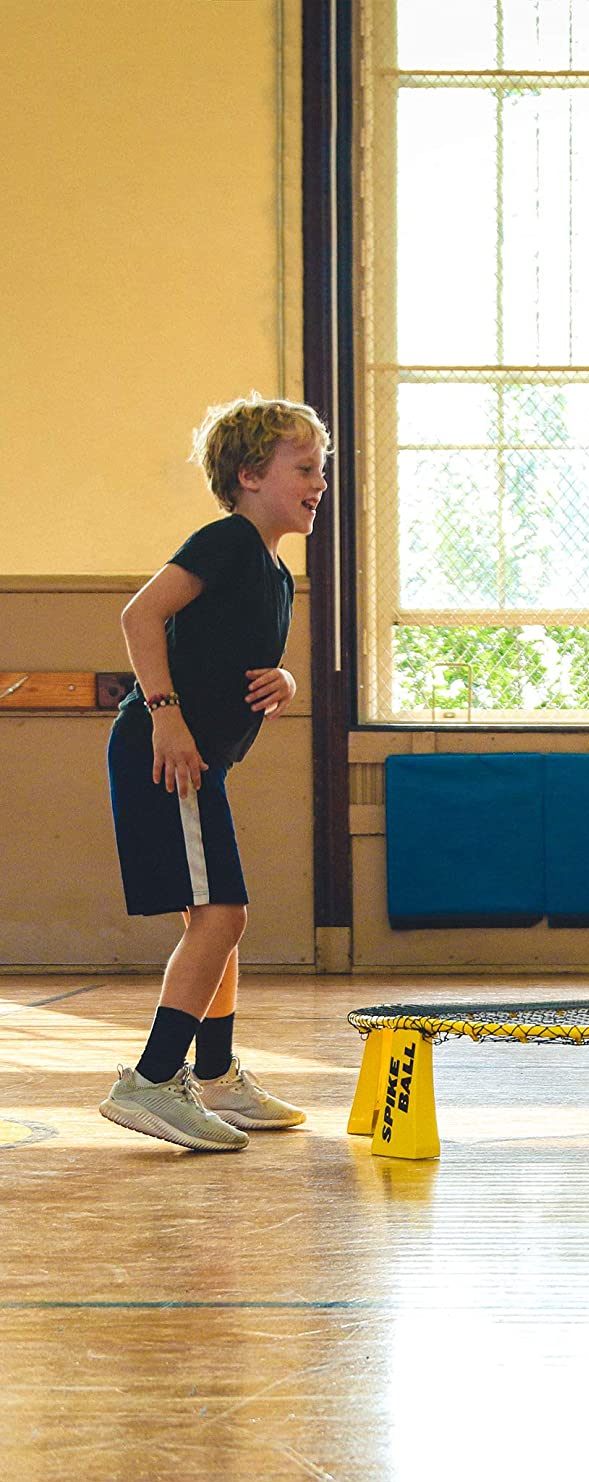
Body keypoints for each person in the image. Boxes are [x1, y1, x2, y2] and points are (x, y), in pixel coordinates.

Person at [99, 396, 328, 1150]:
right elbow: (140, 615)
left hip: (200, 764)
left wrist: (285, 683)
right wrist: (165, 713)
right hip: (167, 753)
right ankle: (154, 1080)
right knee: (221, 917)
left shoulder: (274, 573)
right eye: (305, 468)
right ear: (251, 474)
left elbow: (234, 657)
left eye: (321, 470)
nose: (318, 482)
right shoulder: (227, 540)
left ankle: (219, 1074)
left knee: (221, 921)